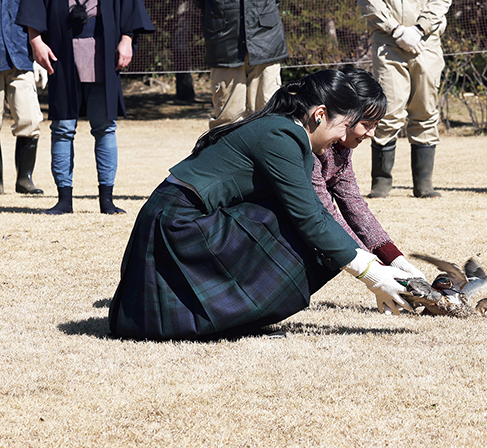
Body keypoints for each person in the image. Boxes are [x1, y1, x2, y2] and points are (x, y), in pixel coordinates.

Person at [108, 69, 422, 340]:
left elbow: (329, 210)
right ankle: (234, 317)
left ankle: (240, 317)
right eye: (345, 126)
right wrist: (372, 274)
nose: (343, 137)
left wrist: (388, 261)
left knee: (311, 233)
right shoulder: (281, 136)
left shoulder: (288, 133)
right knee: (301, 228)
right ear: (320, 114)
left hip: (184, 220)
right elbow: (313, 218)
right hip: (176, 225)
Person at [16, 0, 155, 215]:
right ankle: (64, 199)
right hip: (60, 46)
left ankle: (107, 199)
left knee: (105, 125)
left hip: (103, 44)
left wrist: (127, 38)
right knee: (63, 126)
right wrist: (36, 41)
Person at [356, 0, 452, 198]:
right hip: (388, 43)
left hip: (427, 42)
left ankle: (424, 185)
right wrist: (395, 29)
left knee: (425, 110)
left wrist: (420, 29)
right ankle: (381, 183)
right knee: (387, 111)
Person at [312, 68, 423, 276]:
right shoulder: (309, 148)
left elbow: (353, 204)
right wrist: (377, 271)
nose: (371, 134)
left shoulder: (341, 149)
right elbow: (325, 211)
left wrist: (395, 259)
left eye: (376, 125)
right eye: (366, 124)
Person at [186, 0, 288, 129]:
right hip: (225, 45)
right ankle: (231, 163)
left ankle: (268, 163)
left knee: (271, 116)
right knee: (228, 120)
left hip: (266, 42)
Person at [0, 0, 47, 195]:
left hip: (19, 57)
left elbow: (35, 14)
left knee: (30, 120)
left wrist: (37, 54)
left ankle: (24, 179)